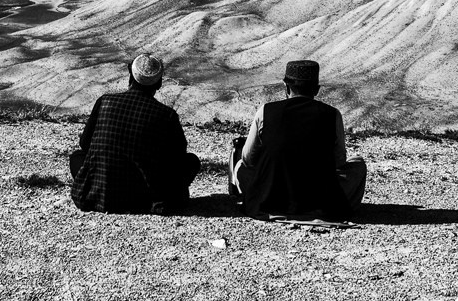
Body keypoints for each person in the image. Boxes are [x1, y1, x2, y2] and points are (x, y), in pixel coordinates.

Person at [228, 60, 367, 221]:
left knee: (240, 166)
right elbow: (339, 160)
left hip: (270, 199)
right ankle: (336, 207)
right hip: (319, 200)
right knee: (358, 165)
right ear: (316, 90)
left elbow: (248, 159)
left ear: (286, 87)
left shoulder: (266, 111)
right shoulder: (333, 115)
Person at [70, 53, 200, 214]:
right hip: (145, 199)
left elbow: (85, 144)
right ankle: (169, 198)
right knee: (191, 161)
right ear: (159, 83)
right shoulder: (167, 115)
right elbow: (177, 157)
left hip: (101, 195)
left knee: (77, 157)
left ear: (130, 76)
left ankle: (95, 189)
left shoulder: (104, 102)